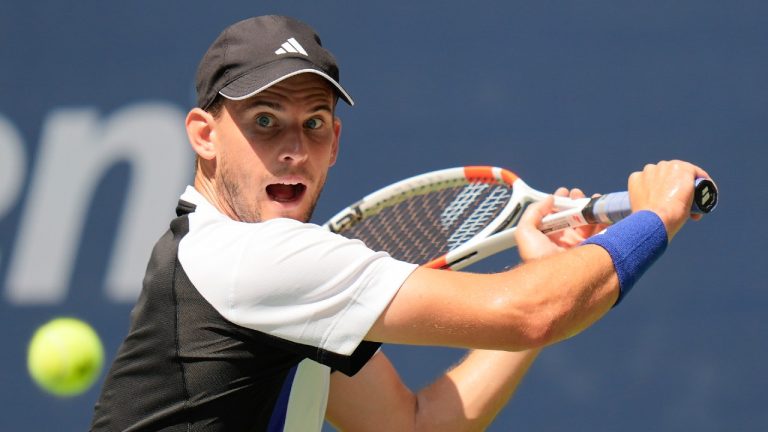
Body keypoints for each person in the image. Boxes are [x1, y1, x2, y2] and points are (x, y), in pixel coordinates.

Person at [90, 15, 710, 431]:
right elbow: (529, 312)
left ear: (335, 141)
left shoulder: (256, 269)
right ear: (204, 136)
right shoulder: (255, 260)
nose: (293, 149)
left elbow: (413, 424)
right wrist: (655, 218)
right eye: (264, 121)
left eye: (314, 124)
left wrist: (540, 272)